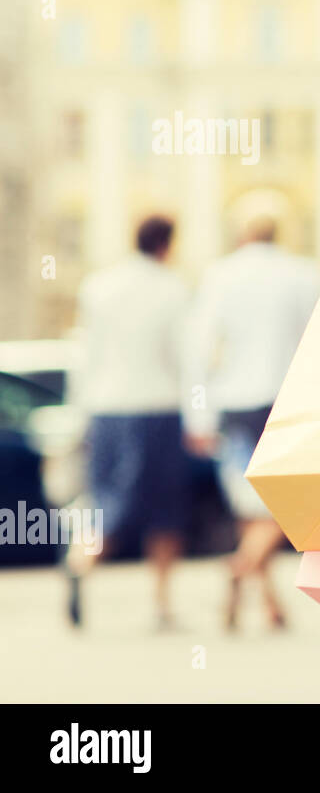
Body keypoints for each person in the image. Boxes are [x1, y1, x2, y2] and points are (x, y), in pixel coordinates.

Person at [184, 211, 320, 631]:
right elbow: (318, 340)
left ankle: (266, 602)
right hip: (285, 400)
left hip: (234, 403)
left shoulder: (219, 275)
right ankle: (242, 567)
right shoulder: (302, 273)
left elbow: (200, 348)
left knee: (250, 504)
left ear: (241, 233)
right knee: (288, 504)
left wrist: (198, 417)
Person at [69, 215, 189, 629]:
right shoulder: (172, 288)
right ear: (167, 244)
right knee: (164, 511)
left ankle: (80, 560)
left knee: (106, 501)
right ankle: (160, 602)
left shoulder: (98, 286)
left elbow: (84, 355)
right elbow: (182, 357)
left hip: (105, 409)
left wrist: (79, 413)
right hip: (158, 407)